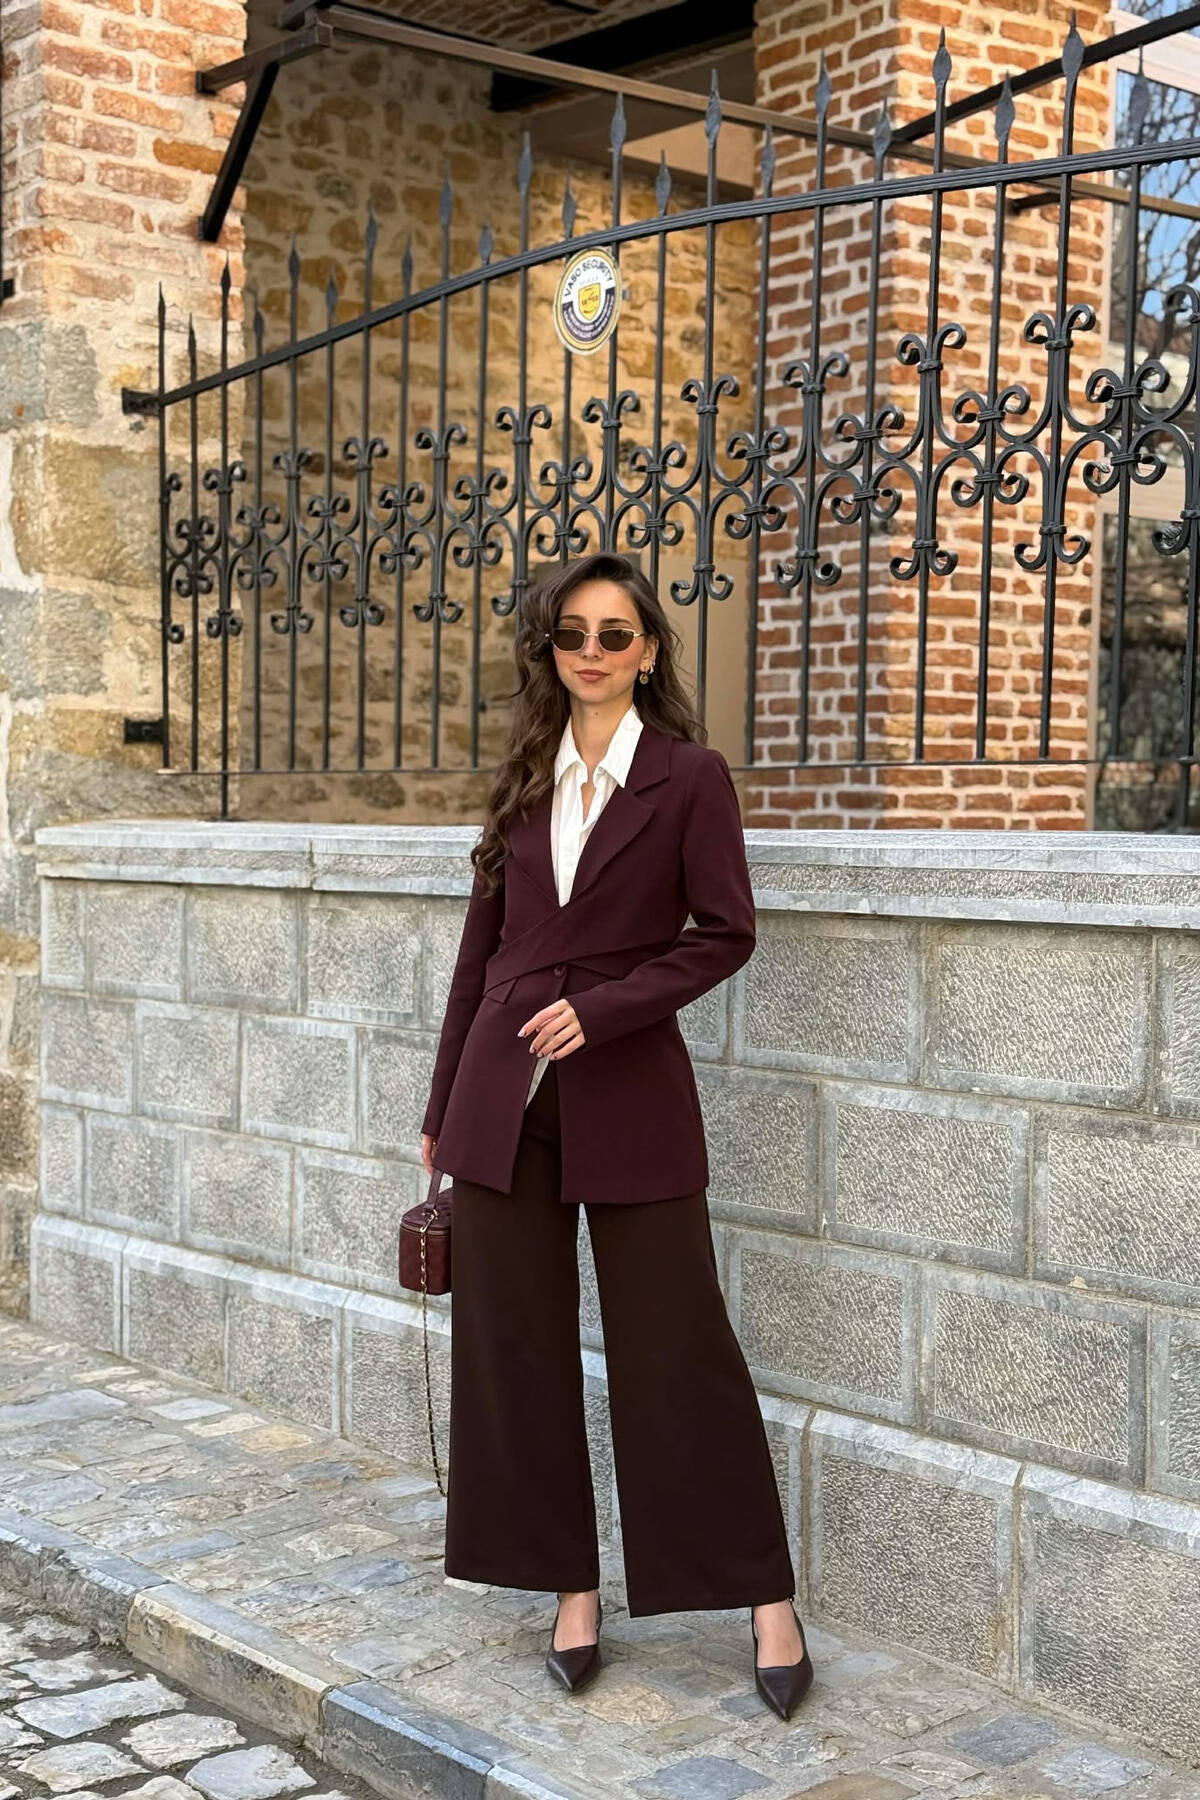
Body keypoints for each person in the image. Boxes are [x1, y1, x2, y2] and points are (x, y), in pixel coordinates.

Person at [418, 550, 813, 1722]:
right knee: (516, 1354)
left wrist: (605, 1009)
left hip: (630, 1089)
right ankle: (571, 1590)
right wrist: (440, 1110)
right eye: (571, 635)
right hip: (500, 1099)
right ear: (550, 650)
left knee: (678, 1348)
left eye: (614, 634)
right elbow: (480, 954)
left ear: (647, 652)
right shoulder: (525, 774)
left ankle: (766, 1601)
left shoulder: (689, 777)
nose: (590, 653)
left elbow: (724, 933)